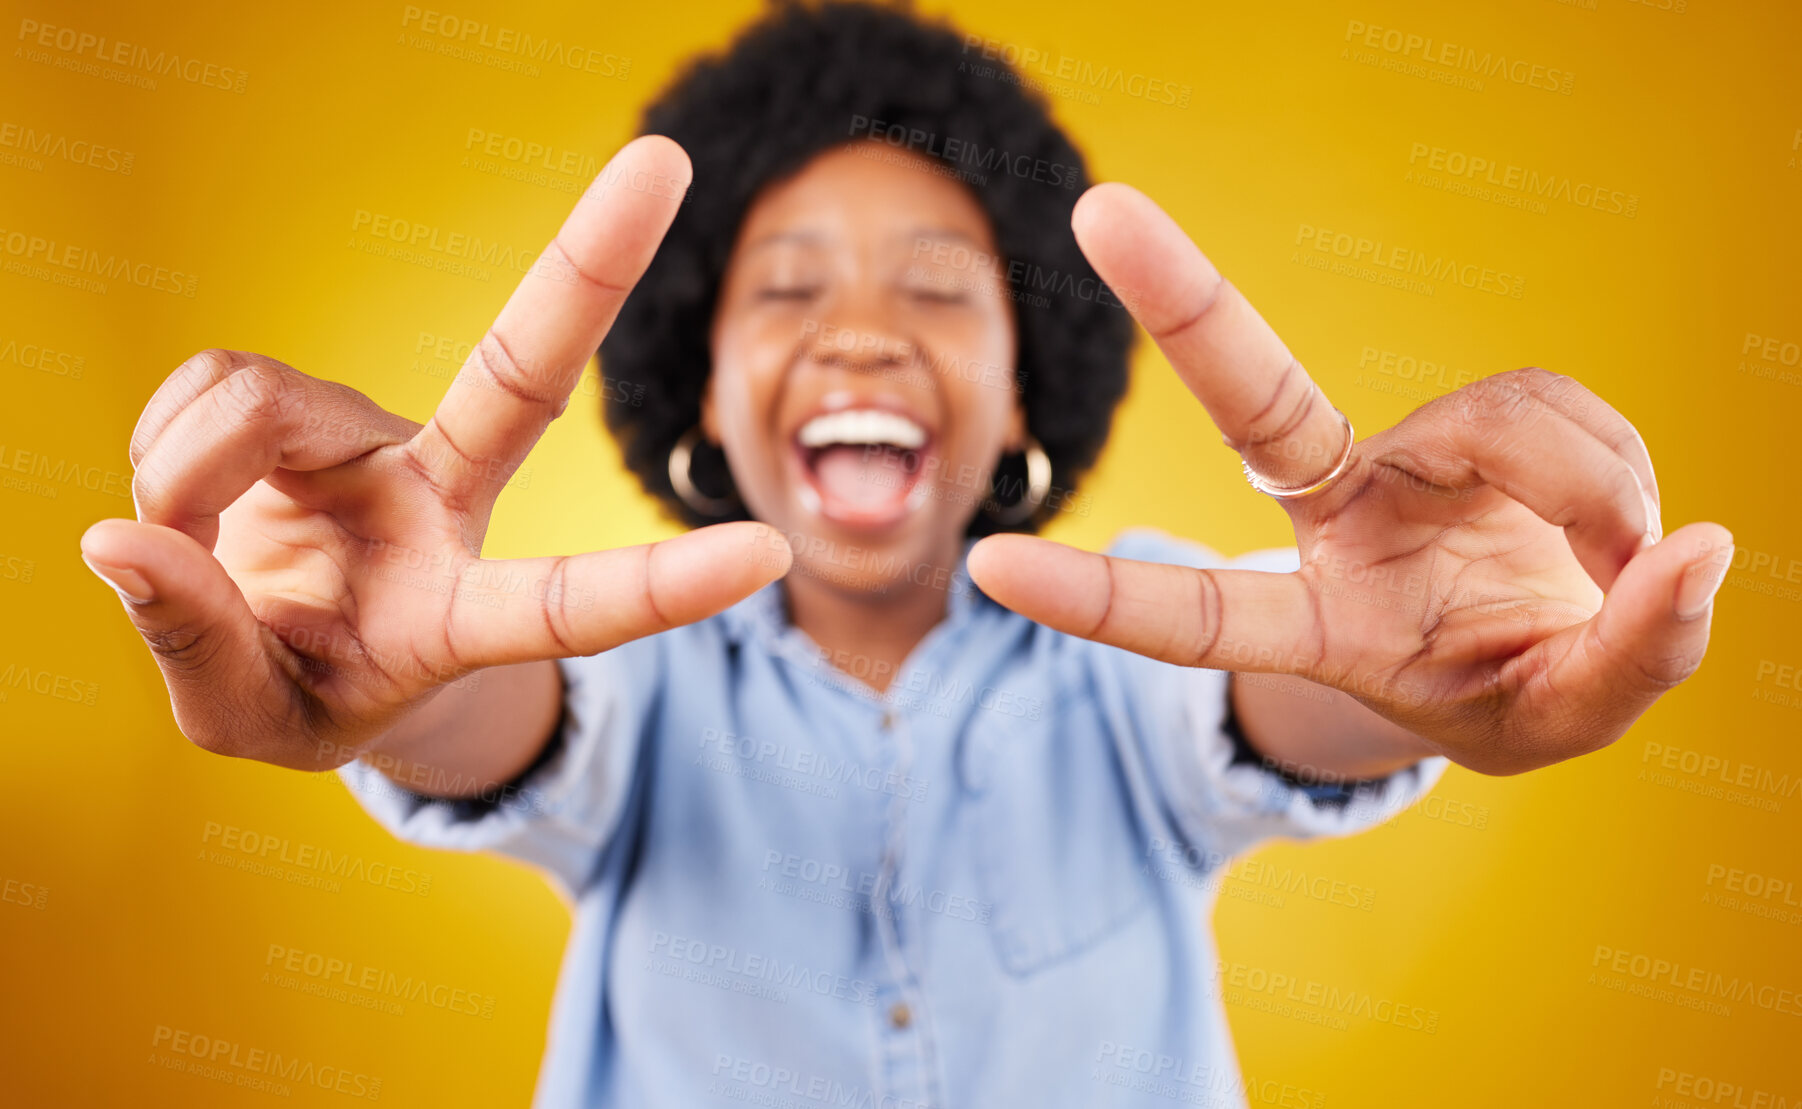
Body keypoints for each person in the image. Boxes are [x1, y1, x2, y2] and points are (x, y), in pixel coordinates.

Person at [80, 3, 1730, 1106]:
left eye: (941, 288)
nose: (863, 334)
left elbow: (1291, 699)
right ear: (701, 403)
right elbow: (490, 728)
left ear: (1028, 395)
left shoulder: (1131, 653)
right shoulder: (633, 684)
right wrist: (375, 685)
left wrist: (1426, 683)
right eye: (786, 290)